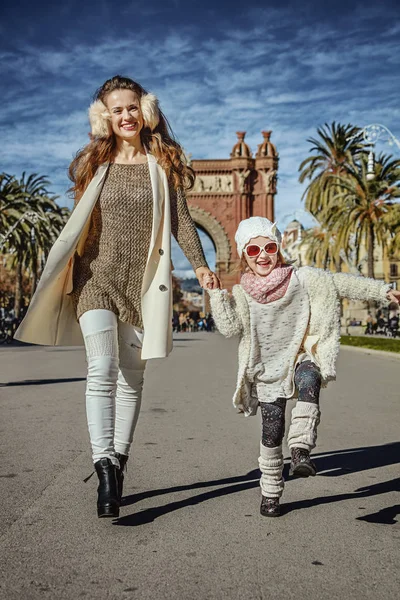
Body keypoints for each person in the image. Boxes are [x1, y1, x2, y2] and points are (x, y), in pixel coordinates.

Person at [15, 75, 219, 519]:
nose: (124, 116)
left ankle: (120, 458)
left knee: (132, 377)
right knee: (101, 368)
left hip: (142, 283)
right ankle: (104, 463)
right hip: (95, 279)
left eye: (131, 107)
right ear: (103, 116)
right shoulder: (94, 162)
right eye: (115, 109)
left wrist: (201, 266)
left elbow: (182, 221)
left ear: (144, 111)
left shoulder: (163, 164)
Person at [207, 217, 400, 517]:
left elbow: (341, 282)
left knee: (310, 375)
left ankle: (300, 450)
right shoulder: (242, 293)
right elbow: (231, 327)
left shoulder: (303, 278)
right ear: (244, 255)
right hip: (266, 368)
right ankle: (270, 492)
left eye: (269, 247)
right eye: (254, 250)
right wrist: (216, 294)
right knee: (272, 431)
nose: (263, 255)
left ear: (279, 249)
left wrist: (383, 292)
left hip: (301, 353)